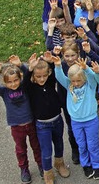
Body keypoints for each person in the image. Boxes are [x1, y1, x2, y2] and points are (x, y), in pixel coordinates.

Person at [0, 58, 43, 184]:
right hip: (16, 127)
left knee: (36, 146)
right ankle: (24, 169)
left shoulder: (24, 87)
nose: (13, 84)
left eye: (16, 80)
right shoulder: (4, 92)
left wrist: (20, 65)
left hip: (30, 123)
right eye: (10, 82)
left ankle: (41, 165)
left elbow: (28, 74)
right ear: (5, 83)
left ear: (20, 79)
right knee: (20, 150)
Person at [51, 56, 99, 180]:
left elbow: (92, 77)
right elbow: (59, 77)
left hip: (91, 120)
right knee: (81, 144)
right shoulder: (69, 85)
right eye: (73, 81)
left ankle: (96, 165)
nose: (75, 83)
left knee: (92, 144)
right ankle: (86, 165)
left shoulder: (90, 85)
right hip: (76, 121)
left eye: (78, 81)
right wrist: (58, 66)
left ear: (83, 79)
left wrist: (86, 69)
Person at [25, 53, 71, 184]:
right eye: (38, 76)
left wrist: (50, 61)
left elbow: (53, 74)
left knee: (59, 144)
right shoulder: (31, 88)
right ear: (33, 76)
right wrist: (29, 69)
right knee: (46, 151)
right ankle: (48, 173)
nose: (42, 79)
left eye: (45, 75)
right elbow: (25, 83)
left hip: (57, 120)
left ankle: (59, 164)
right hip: (42, 125)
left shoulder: (50, 82)